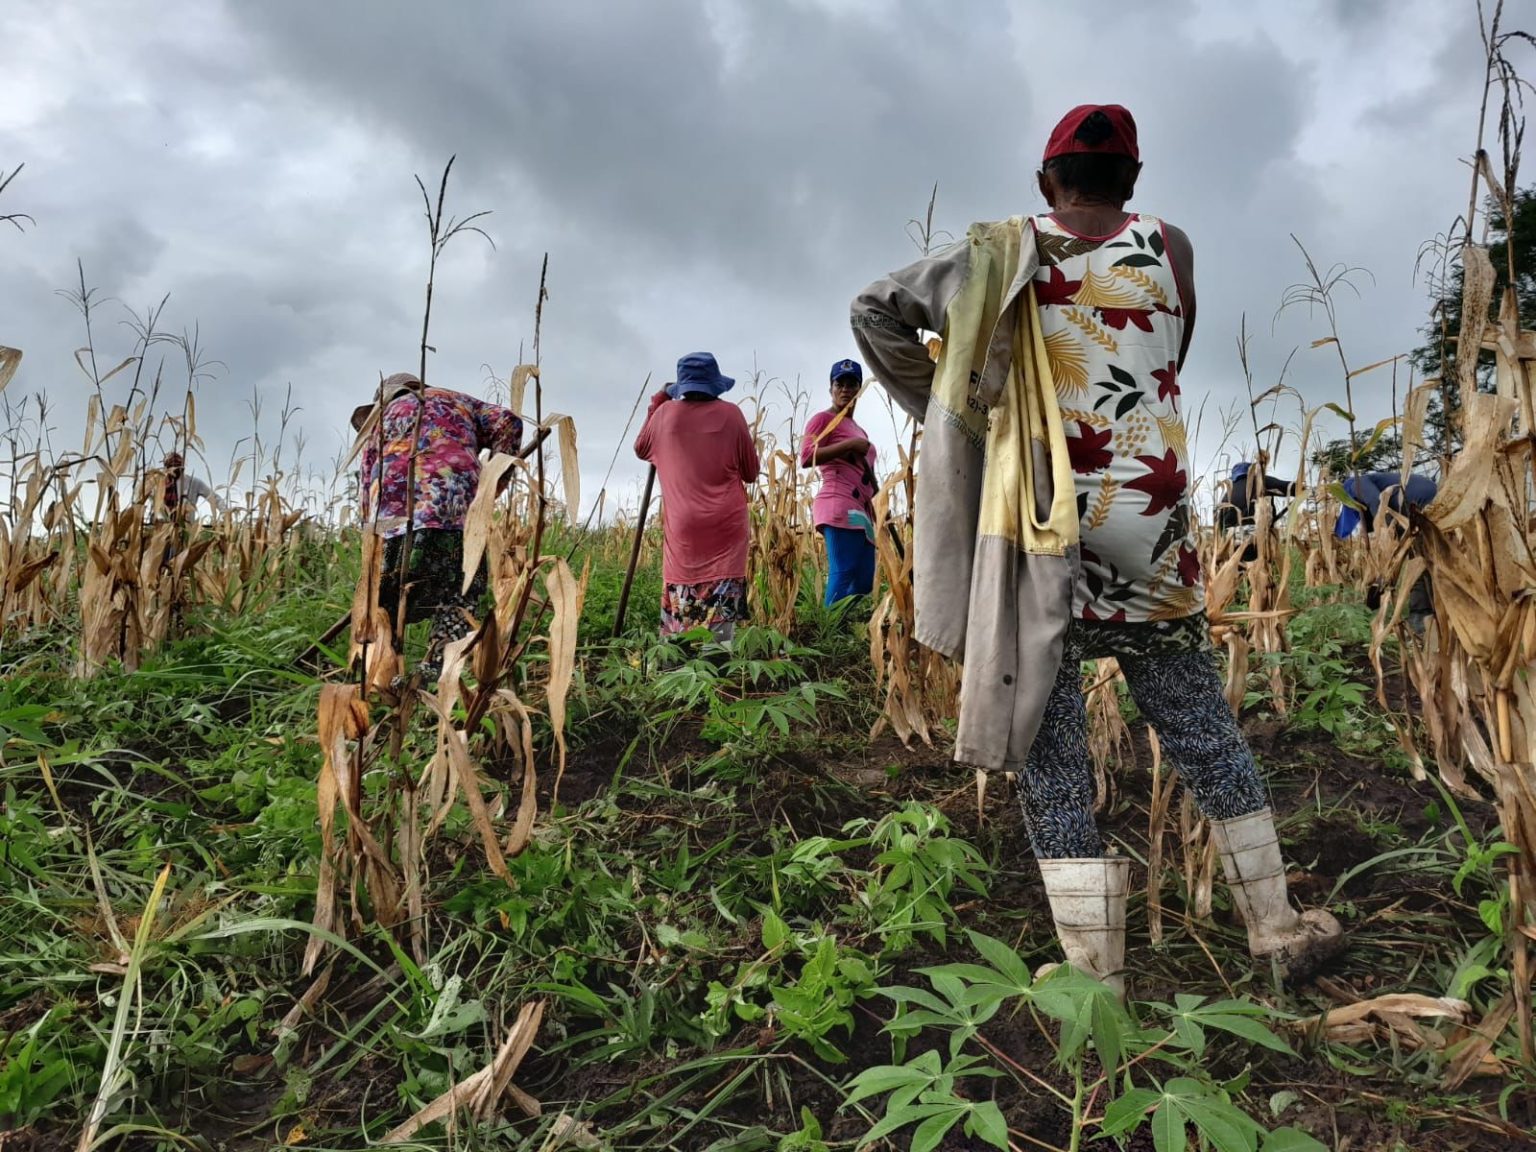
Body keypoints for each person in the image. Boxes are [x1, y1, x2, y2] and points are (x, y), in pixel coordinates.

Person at [851, 104, 1342, 993]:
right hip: (1149, 518)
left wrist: (959, 410)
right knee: (1200, 725)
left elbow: (874, 310)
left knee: (1049, 741)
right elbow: (1169, 354)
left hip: (1041, 522)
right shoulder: (1172, 246)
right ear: (1133, 183)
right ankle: (1276, 928)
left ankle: (1091, 969)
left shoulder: (1002, 249)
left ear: (1047, 182)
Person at [351, 371, 523, 684]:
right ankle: (439, 659)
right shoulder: (452, 399)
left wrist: (370, 534)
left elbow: (366, 477)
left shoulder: (377, 420)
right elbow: (509, 422)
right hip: (450, 501)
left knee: (389, 594)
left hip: (391, 511)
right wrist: (494, 481)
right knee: (459, 582)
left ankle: (381, 673)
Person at [634, 352, 760, 644]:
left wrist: (658, 401)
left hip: (684, 528)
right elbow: (751, 472)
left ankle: (676, 669)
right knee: (721, 601)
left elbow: (641, 448)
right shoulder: (731, 414)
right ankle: (717, 663)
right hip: (727, 525)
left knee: (681, 595)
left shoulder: (664, 416)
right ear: (714, 383)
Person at [801, 358, 879, 606]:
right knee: (844, 571)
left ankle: (843, 627)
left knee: (865, 579)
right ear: (831, 389)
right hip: (838, 502)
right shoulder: (823, 420)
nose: (845, 389)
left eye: (852, 384)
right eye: (840, 383)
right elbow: (805, 457)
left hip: (862, 510)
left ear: (859, 390)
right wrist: (850, 445)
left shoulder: (858, 428)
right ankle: (829, 631)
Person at [1216, 458, 1296, 562]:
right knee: (1261, 572)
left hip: (1231, 542)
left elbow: (1220, 524)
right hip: (1256, 539)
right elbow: (1289, 487)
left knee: (1240, 573)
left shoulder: (1228, 493)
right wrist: (1305, 489)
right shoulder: (1261, 481)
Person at [161, 452, 223, 519]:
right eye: (171, 467)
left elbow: (214, 498)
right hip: (160, 527)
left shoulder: (193, 483)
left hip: (186, 527)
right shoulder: (158, 484)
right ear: (166, 468)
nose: (174, 470)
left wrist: (225, 512)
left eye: (177, 467)